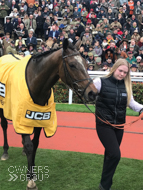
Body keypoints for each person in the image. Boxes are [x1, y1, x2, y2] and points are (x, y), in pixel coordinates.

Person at [93, 58, 143, 190]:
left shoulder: (126, 85)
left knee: (110, 155)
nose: (122, 74)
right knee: (115, 154)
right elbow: (88, 94)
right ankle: (105, 185)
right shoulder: (100, 81)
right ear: (114, 68)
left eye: (125, 72)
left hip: (119, 126)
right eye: (120, 71)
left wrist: (142, 109)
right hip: (104, 125)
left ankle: (103, 185)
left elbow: (131, 103)